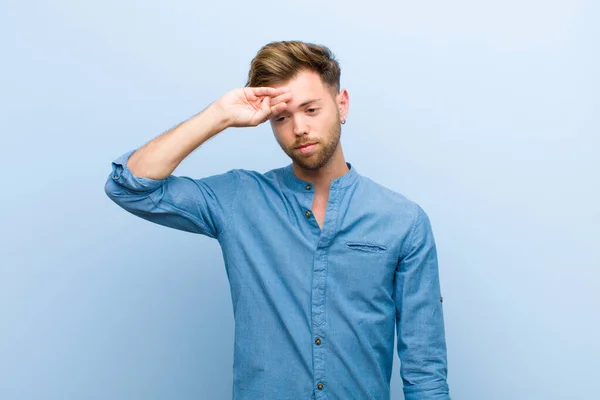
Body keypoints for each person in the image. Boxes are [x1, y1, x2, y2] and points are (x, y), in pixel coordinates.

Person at [104, 40, 451, 400]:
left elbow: (425, 373)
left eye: (311, 109)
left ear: (341, 103)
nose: (298, 128)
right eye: (281, 117)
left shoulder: (403, 222)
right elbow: (130, 187)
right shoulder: (240, 199)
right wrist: (219, 115)